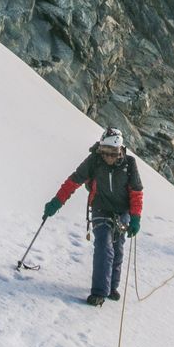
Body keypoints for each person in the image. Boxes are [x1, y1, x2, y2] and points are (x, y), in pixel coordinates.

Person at [41, 127, 143, 306]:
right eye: (105, 152)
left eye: (113, 153)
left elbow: (136, 192)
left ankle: (111, 287)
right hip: (100, 208)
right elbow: (73, 181)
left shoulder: (129, 164)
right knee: (104, 245)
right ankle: (99, 292)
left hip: (122, 211)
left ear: (120, 150)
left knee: (118, 248)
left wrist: (135, 218)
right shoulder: (94, 161)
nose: (108, 157)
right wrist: (56, 202)